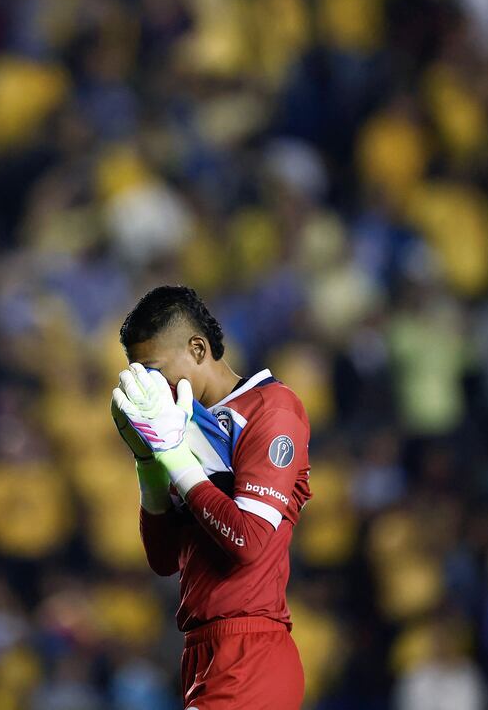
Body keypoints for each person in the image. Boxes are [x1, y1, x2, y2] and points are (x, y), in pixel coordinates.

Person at [111, 285, 311, 709]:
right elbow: (164, 559)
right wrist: (149, 465)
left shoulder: (271, 409)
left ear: (198, 349)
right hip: (202, 651)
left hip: (250, 651)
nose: (152, 387)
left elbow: (249, 539)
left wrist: (176, 458)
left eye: (156, 370)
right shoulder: (181, 427)